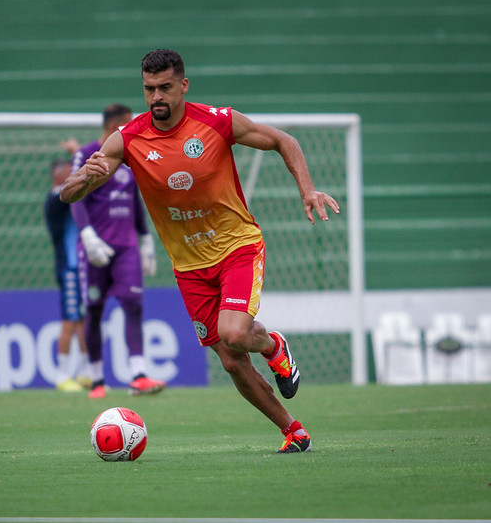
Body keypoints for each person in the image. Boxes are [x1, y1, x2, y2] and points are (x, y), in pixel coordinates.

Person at [61, 49, 340, 453]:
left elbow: (283, 140)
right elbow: (69, 195)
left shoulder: (216, 121)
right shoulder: (128, 139)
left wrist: (307, 188)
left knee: (234, 332)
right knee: (229, 359)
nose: (156, 96)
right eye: (149, 89)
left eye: (165, 88)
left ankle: (274, 346)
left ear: (183, 86)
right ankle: (293, 431)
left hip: (236, 247)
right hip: (189, 268)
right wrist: (84, 178)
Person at [69, 104, 166, 399]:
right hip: (96, 248)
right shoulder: (86, 153)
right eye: (128, 123)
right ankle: (97, 380)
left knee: (133, 305)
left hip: (126, 247)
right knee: (94, 311)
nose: (134, 128)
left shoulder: (131, 154)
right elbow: (74, 196)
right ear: (115, 126)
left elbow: (134, 198)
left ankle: (138, 375)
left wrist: (146, 241)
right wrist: (87, 236)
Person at [44, 158, 91, 392]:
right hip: (69, 268)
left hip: (79, 267)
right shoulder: (55, 198)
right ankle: (62, 375)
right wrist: (78, 159)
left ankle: (85, 373)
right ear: (57, 175)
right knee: (70, 321)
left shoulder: (69, 199)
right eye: (68, 172)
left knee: (82, 321)